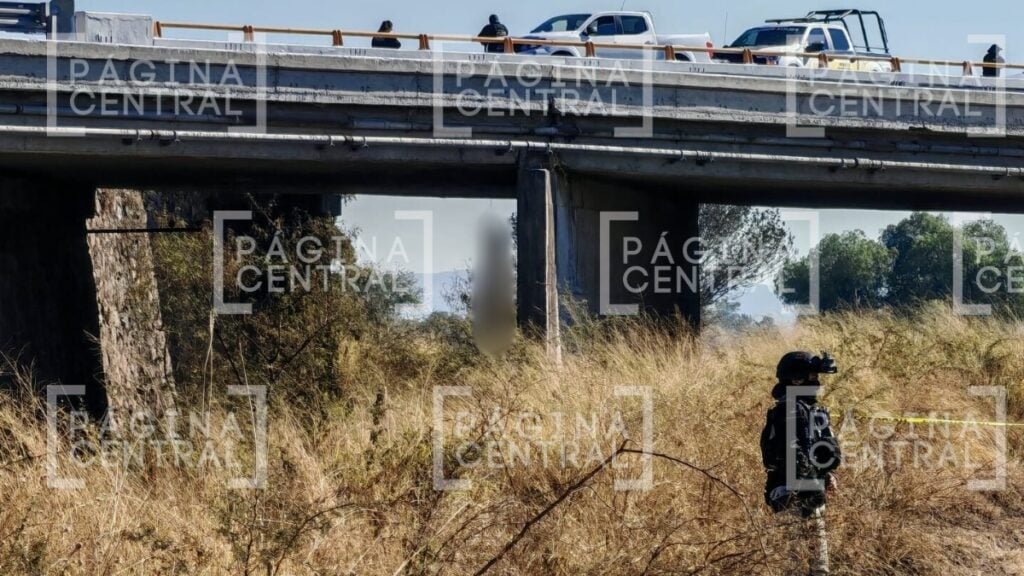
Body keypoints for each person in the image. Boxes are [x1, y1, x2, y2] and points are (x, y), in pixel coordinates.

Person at [760, 351, 842, 576]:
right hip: (790, 497)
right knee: (795, 566)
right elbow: (792, 455)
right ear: (796, 381)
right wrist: (811, 488)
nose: (817, 382)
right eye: (813, 377)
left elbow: (813, 450)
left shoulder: (808, 409)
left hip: (810, 495)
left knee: (818, 568)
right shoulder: (788, 410)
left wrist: (826, 475)